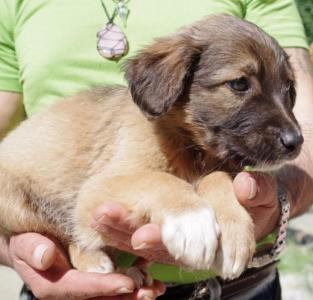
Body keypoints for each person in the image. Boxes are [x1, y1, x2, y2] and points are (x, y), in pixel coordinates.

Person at [0, 0, 312, 299]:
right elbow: (97, 200)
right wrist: (18, 253)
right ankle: (78, 250)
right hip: (31, 200)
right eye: (240, 84)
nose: (289, 130)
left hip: (244, 291)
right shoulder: (145, 131)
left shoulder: (217, 145)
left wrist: (269, 208)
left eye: (286, 90)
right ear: (172, 83)